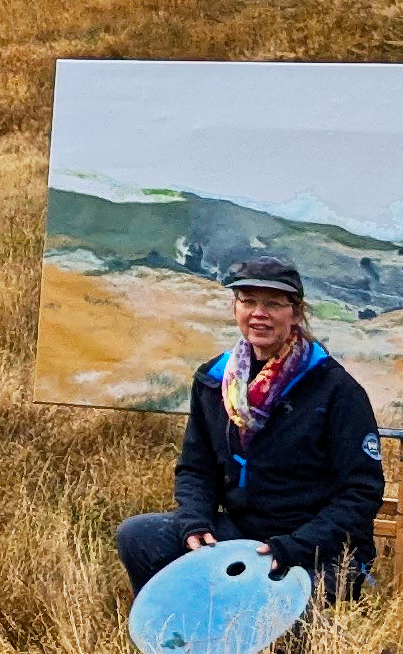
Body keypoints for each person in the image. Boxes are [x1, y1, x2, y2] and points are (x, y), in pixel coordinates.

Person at [112, 255, 386, 599]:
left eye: (273, 304)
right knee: (139, 536)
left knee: (278, 611)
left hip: (315, 547)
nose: (259, 313)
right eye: (248, 301)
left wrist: (295, 546)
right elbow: (197, 469)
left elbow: (361, 492)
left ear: (296, 313)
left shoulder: (335, 389)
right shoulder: (214, 380)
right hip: (242, 534)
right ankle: (179, 631)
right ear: (235, 308)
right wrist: (195, 521)